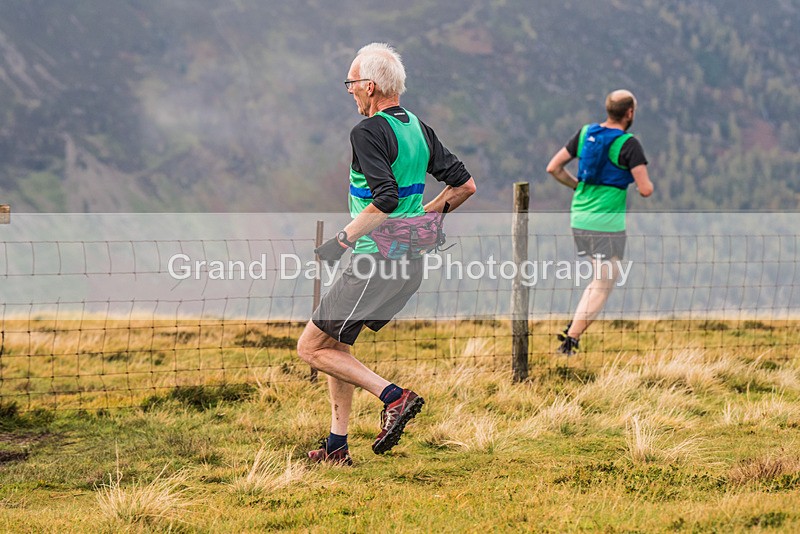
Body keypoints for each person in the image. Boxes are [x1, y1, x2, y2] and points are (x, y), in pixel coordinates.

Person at [297, 43, 476, 465]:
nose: (350, 91)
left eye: (352, 83)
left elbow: (386, 199)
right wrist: (423, 218)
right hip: (406, 263)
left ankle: (394, 397)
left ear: (371, 86)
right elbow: (465, 186)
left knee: (310, 348)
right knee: (335, 347)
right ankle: (336, 448)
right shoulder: (418, 127)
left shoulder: (367, 131)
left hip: (372, 261)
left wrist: (339, 241)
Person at [545, 89, 653, 356]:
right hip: (606, 224)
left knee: (599, 279)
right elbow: (646, 188)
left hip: (579, 216)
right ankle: (570, 341)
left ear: (608, 109)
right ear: (630, 113)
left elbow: (554, 168)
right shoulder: (628, 144)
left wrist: (577, 186)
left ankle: (573, 330)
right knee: (605, 284)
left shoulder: (585, 134)